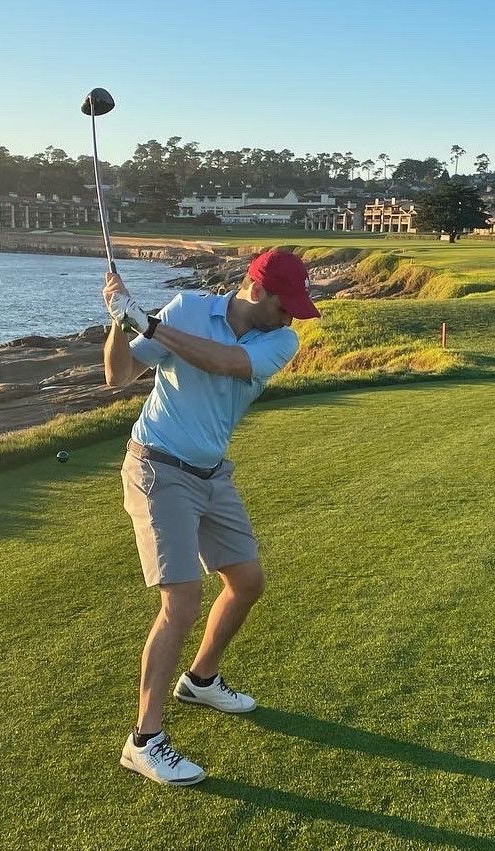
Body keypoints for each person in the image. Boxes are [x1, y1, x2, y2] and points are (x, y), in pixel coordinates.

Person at [102, 249, 320, 786]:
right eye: (285, 304)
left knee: (247, 582)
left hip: (211, 472)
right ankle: (145, 741)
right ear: (256, 289)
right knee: (181, 601)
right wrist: (117, 321)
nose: (292, 316)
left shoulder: (280, 341)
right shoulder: (187, 309)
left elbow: (223, 363)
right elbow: (118, 375)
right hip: (157, 467)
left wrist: (147, 321)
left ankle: (200, 680)